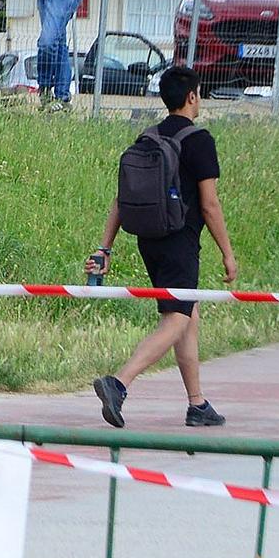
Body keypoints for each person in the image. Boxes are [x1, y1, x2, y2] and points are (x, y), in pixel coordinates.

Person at [85, 64, 238, 428]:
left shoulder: (146, 139)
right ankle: (119, 384)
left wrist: (105, 248)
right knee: (177, 318)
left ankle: (197, 405)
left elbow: (121, 199)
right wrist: (228, 254)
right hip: (179, 242)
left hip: (148, 241)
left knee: (187, 316)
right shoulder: (199, 140)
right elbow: (209, 205)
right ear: (191, 97)